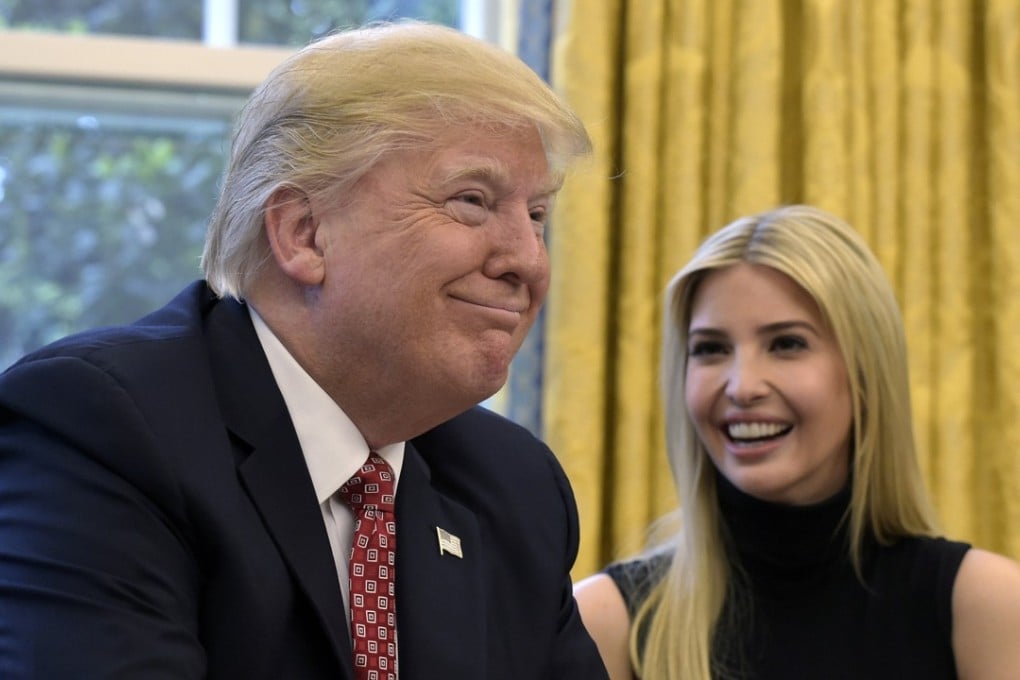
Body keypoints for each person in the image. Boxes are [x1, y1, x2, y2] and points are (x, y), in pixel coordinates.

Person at [0, 21, 609, 679]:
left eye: (538, 216)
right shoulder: (102, 428)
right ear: (303, 234)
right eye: (472, 201)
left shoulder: (514, 483)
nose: (527, 259)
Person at [574, 204, 1020, 679]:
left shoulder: (985, 608)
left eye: (786, 344)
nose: (742, 386)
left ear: (866, 372)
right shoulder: (606, 622)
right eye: (710, 349)